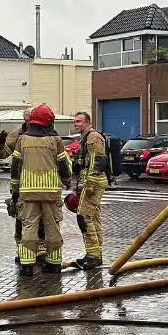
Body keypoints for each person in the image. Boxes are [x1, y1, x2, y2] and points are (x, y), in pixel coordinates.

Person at [10, 104, 72, 274]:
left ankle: (27, 266)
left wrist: (15, 188)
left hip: (28, 192)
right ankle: (53, 264)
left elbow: (15, 166)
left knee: (29, 227)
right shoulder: (55, 140)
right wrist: (67, 181)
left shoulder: (22, 139)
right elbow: (63, 165)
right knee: (52, 227)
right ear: (49, 121)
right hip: (51, 193)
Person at [0, 109, 46, 265]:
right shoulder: (17, 134)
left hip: (42, 182)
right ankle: (22, 251)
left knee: (42, 219)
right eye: (30, 119)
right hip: (22, 182)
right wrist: (0, 143)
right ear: (26, 120)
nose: (33, 122)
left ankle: (41, 251)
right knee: (20, 218)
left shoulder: (46, 132)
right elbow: (2, 154)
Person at [70, 111, 109, 270]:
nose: (76, 124)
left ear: (88, 122)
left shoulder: (93, 137)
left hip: (93, 183)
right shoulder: (85, 137)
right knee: (93, 219)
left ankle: (93, 255)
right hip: (88, 182)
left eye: (79, 121)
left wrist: (90, 184)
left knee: (84, 218)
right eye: (75, 121)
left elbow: (97, 160)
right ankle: (95, 254)